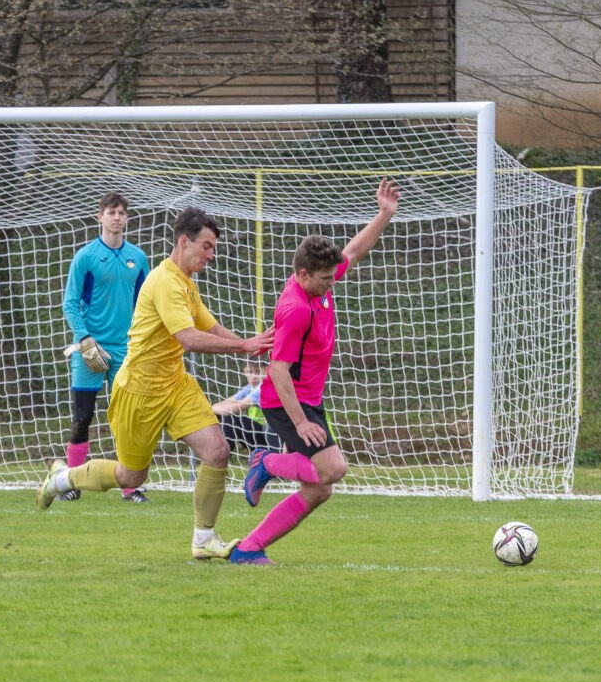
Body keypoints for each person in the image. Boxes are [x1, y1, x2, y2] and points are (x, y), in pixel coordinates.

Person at [36, 207, 273, 562]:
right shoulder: (165, 282)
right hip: (139, 392)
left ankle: (204, 538)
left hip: (175, 385)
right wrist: (243, 346)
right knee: (130, 475)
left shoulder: (186, 283)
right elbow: (188, 337)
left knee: (217, 451)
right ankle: (61, 479)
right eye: (207, 246)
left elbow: (209, 327)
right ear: (184, 241)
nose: (211, 255)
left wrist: (253, 344)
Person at [231, 177, 399, 565]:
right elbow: (278, 370)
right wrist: (301, 423)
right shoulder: (295, 309)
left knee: (319, 488)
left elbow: (353, 251)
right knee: (333, 469)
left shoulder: (316, 283)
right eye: (325, 280)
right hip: (285, 401)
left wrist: (384, 215)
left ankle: (248, 548)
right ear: (304, 275)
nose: (330, 285)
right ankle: (265, 462)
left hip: (308, 398)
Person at [59, 191, 151, 503]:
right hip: (89, 348)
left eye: (122, 212)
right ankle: (69, 482)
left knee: (127, 418)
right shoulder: (85, 257)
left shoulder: (138, 258)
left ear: (127, 218)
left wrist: (142, 340)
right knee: (83, 416)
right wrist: (85, 338)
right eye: (112, 212)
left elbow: (145, 304)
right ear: (100, 217)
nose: (117, 217)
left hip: (125, 349)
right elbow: (70, 303)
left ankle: (130, 486)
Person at [212, 360, 278, 457]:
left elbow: (235, 407)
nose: (253, 376)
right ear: (244, 372)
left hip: (271, 437)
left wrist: (212, 409)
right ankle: (217, 453)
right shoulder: (249, 388)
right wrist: (213, 409)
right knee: (224, 415)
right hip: (257, 433)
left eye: (257, 372)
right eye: (250, 372)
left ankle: (222, 456)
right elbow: (228, 401)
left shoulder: (263, 387)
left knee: (230, 417)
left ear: (265, 370)